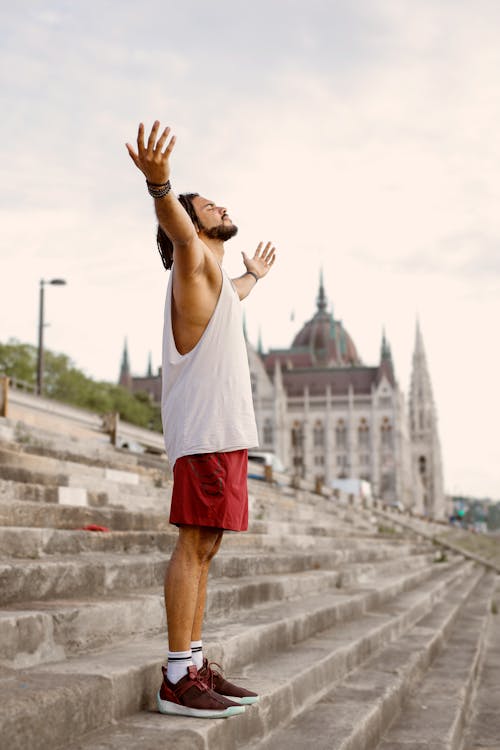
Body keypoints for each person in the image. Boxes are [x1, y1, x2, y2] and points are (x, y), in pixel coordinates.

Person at [126, 121, 276, 719]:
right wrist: (162, 188)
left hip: (226, 434)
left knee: (207, 545)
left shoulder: (218, 285)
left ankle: (193, 662)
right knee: (193, 544)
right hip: (205, 433)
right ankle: (175, 677)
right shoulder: (189, 262)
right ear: (191, 224)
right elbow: (180, 233)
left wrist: (256, 277)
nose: (220, 203)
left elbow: (232, 293)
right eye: (205, 203)